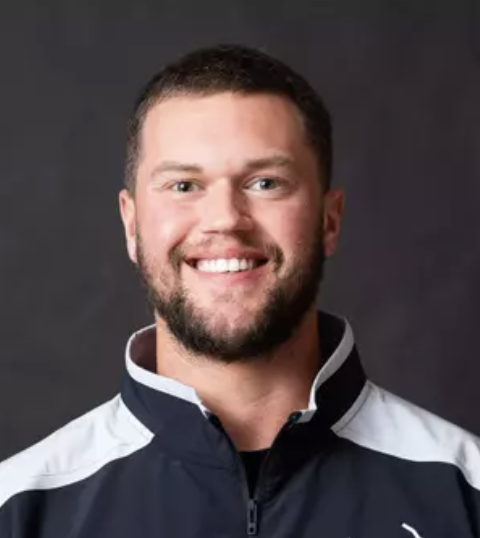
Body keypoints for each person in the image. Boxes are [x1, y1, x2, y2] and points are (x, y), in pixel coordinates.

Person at [0, 44, 479, 538]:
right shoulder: (20, 509)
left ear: (329, 220)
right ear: (131, 224)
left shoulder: (466, 492)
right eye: (184, 186)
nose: (226, 219)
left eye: (266, 182)